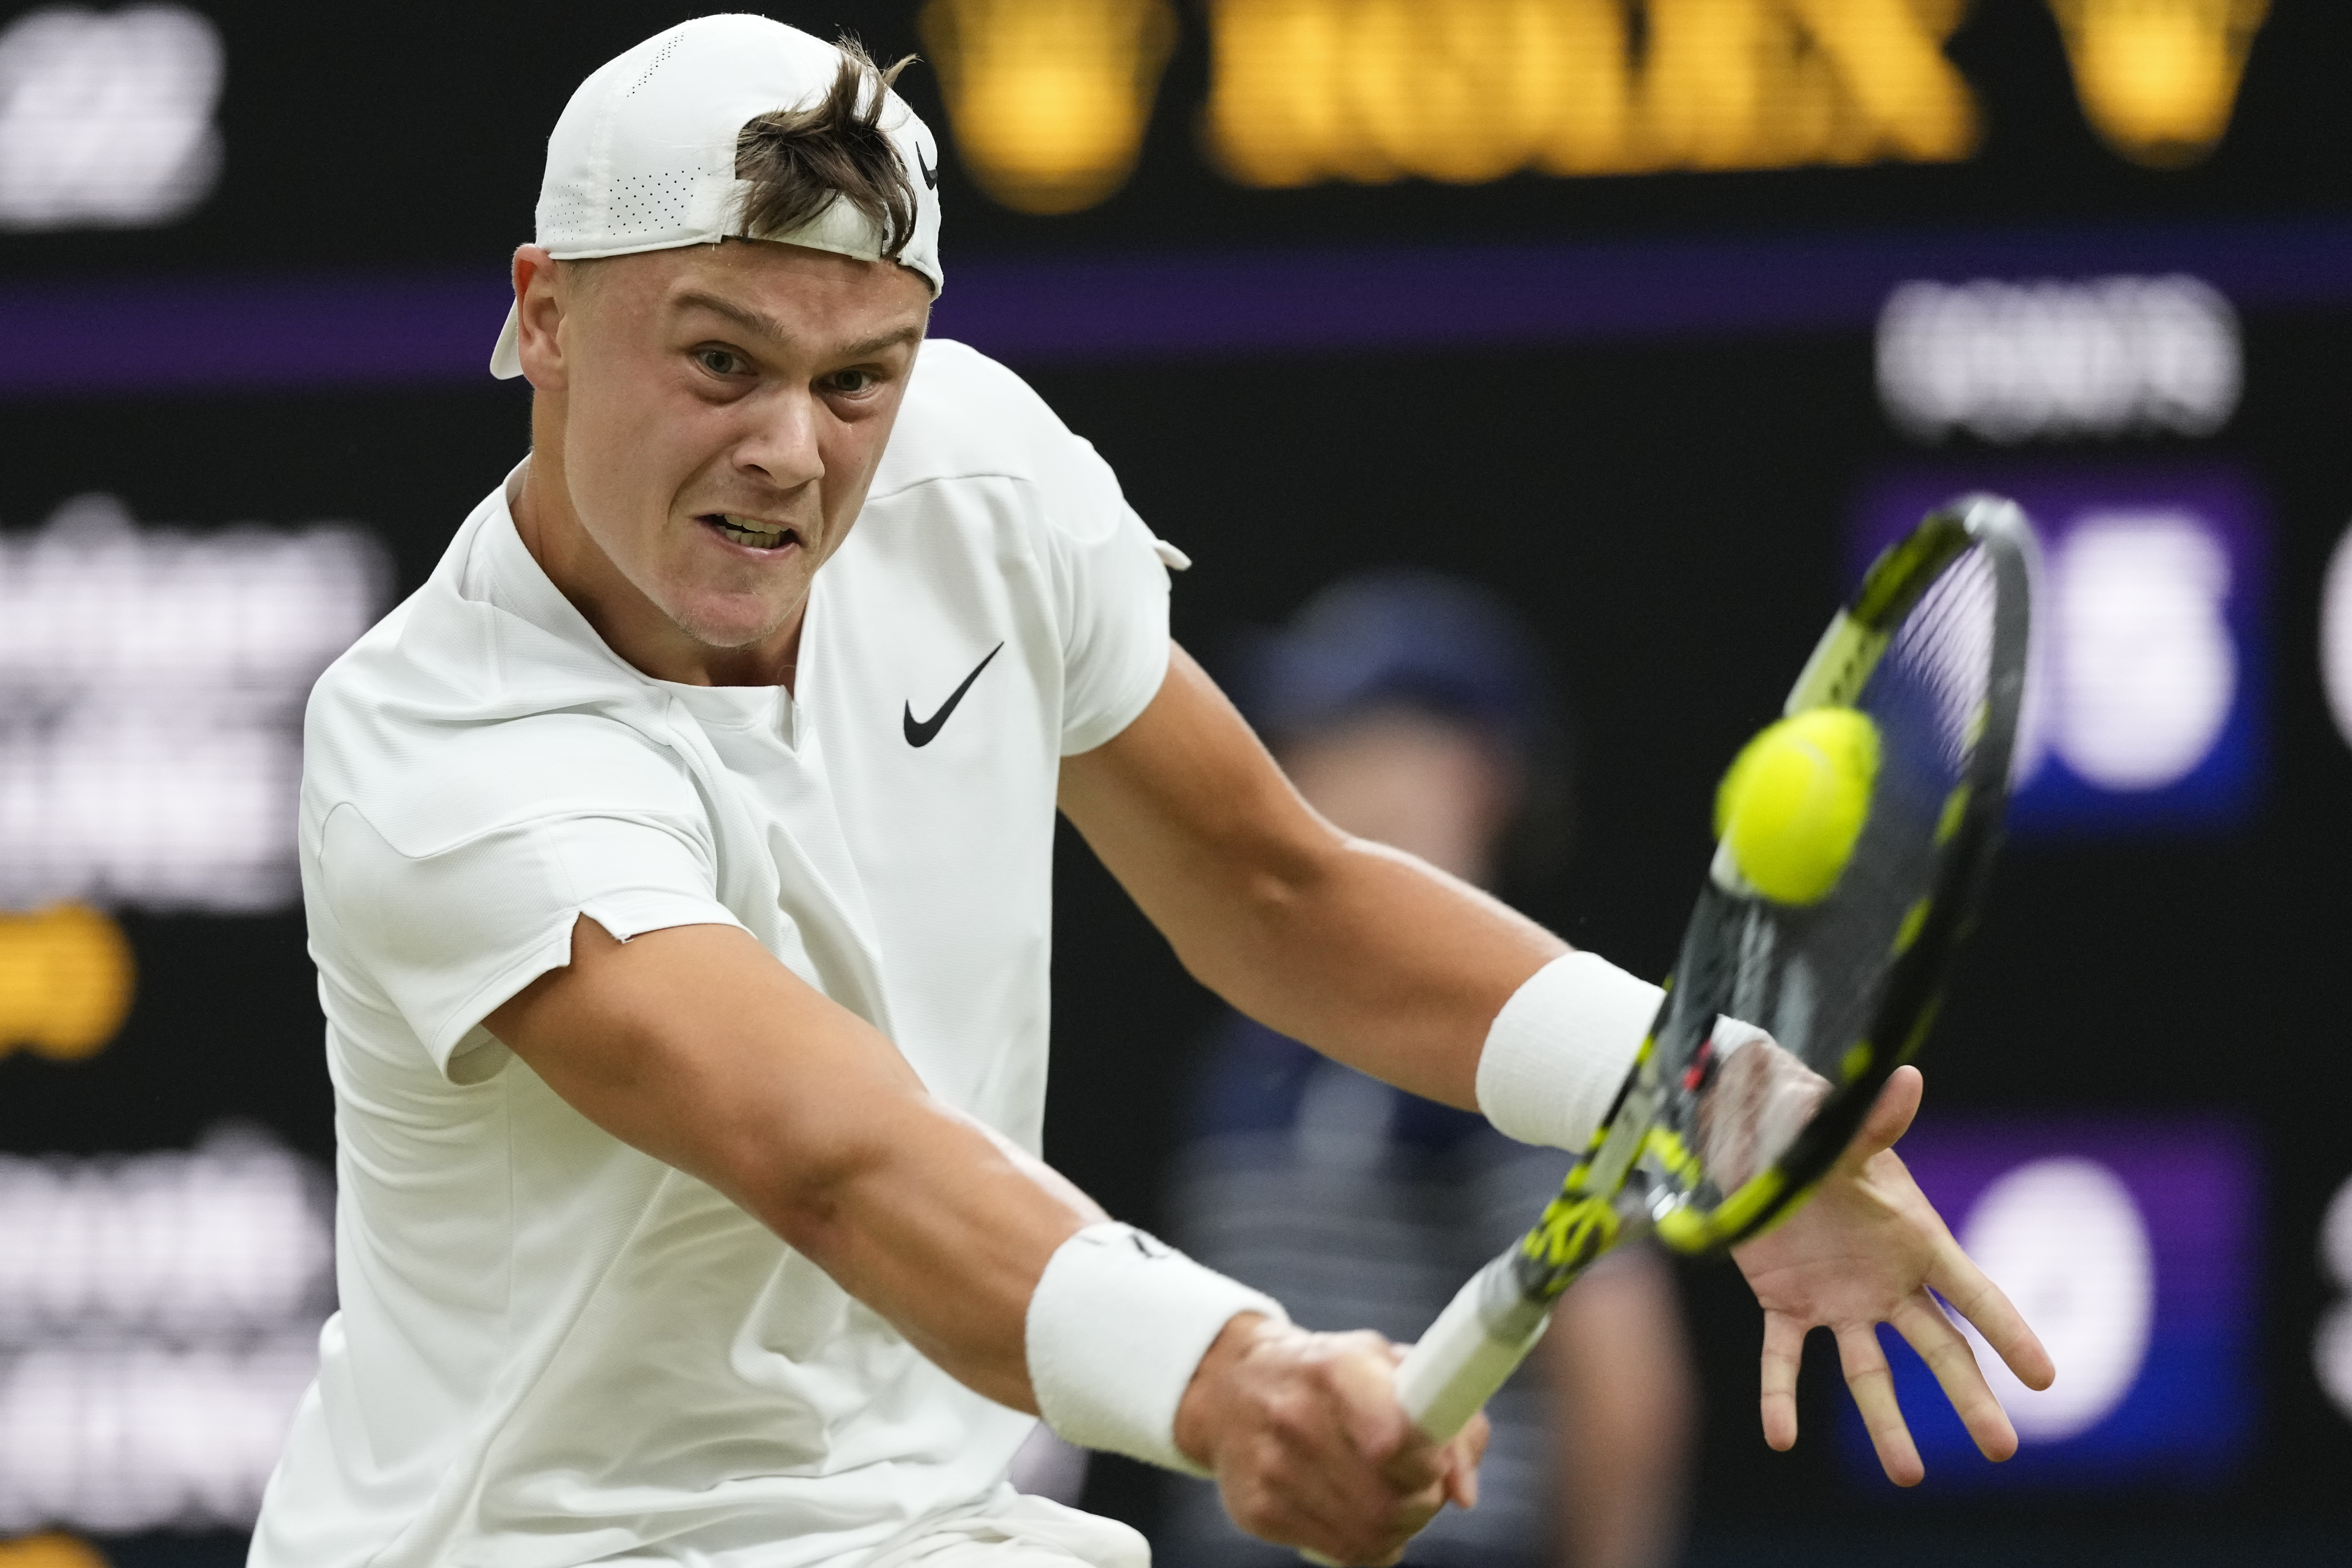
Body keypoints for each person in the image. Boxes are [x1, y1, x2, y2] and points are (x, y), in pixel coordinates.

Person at [253, 17, 2053, 1568]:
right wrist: (1237, 1375)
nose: (792, 448)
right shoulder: (445, 754)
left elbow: (1278, 892)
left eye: (858, 379)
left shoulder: (978, 483)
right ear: (548, 316)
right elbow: (837, 1157)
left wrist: (1721, 1107)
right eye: (720, 360)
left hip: (930, 1526)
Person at [1158, 572, 1694, 1568]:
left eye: (1352, 736)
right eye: (1298, 737)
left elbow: (1623, 1383)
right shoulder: (1246, 1044)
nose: (1300, 769)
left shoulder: (1511, 1050)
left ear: (1473, 774)